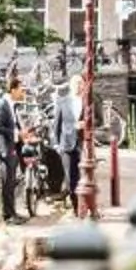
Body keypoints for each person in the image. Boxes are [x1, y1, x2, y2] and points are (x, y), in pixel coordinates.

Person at [0, 81, 24, 220]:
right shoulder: (1, 105)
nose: (23, 93)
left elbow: (13, 123)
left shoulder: (11, 105)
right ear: (13, 90)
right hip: (5, 148)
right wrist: (16, 133)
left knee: (11, 181)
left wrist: (22, 133)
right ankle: (8, 214)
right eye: (21, 89)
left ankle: (11, 212)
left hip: (12, 146)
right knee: (7, 182)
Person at [46, 76, 81, 210]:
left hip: (82, 143)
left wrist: (86, 124)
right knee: (70, 176)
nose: (79, 87)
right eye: (77, 84)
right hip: (67, 143)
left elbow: (98, 120)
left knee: (82, 175)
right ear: (71, 87)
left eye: (81, 84)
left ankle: (83, 203)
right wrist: (56, 144)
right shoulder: (63, 101)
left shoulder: (88, 101)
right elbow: (57, 124)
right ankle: (76, 206)